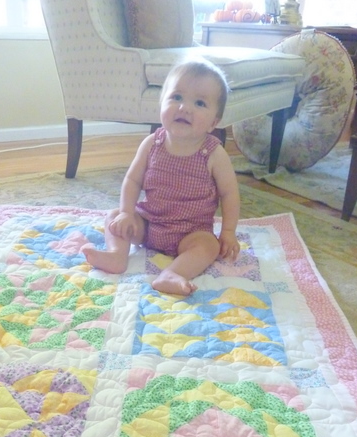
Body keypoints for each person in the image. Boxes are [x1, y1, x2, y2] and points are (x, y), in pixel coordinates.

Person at [82, 59, 241, 296]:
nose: (184, 107)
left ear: (213, 123)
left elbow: (229, 194)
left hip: (192, 233)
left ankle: (173, 274)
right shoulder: (152, 144)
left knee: (209, 246)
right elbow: (132, 181)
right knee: (114, 216)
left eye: (199, 103)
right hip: (149, 226)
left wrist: (228, 232)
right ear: (161, 104)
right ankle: (116, 256)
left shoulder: (214, 154)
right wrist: (126, 213)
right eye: (176, 97)